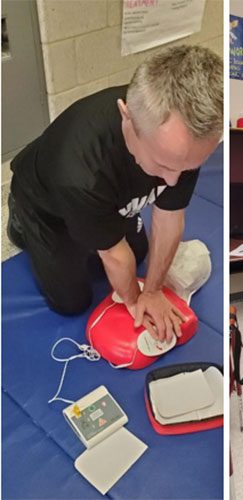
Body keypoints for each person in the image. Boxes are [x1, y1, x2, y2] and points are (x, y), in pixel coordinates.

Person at [7, 44, 223, 344]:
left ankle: (102, 221)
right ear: (126, 116)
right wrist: (136, 302)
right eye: (163, 163)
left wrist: (153, 290)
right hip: (46, 204)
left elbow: (170, 217)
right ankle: (20, 222)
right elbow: (114, 256)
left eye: (188, 167)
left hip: (110, 201)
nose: (174, 181)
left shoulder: (183, 138)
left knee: (140, 255)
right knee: (72, 303)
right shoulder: (79, 170)